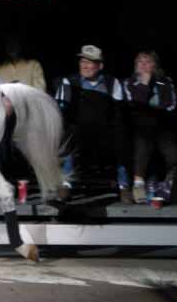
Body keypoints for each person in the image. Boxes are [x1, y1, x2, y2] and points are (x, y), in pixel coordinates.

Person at [54, 45, 130, 204]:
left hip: (105, 132)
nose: (85, 66)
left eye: (90, 62)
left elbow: (118, 112)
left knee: (121, 134)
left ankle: (124, 186)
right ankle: (66, 184)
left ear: (100, 66)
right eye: (82, 61)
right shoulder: (70, 82)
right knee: (70, 133)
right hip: (79, 130)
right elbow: (60, 109)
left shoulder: (111, 83)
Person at [122, 51, 177, 203]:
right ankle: (138, 184)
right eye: (140, 62)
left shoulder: (165, 82)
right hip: (139, 126)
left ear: (155, 65)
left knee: (174, 151)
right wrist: (144, 83)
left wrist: (151, 109)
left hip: (162, 125)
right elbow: (135, 104)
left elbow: (170, 106)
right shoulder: (129, 82)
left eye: (147, 61)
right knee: (142, 141)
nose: (143, 64)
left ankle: (168, 183)